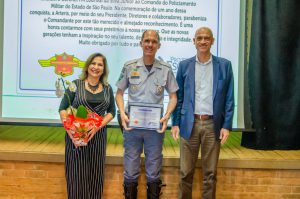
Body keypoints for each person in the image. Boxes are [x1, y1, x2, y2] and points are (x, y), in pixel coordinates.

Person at [171, 27, 234, 199]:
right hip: (188, 124)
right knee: (185, 173)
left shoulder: (225, 65)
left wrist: (226, 125)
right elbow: (179, 97)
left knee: (210, 174)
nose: (203, 41)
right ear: (194, 41)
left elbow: (229, 98)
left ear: (212, 41)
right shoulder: (184, 66)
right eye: (199, 38)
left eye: (207, 38)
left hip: (213, 125)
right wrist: (175, 122)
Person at [115, 30, 178, 199]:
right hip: (132, 127)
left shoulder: (165, 69)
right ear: (141, 43)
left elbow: (173, 96)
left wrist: (167, 115)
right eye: (147, 41)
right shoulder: (129, 66)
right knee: (130, 170)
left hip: (154, 129)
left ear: (159, 45)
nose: (150, 44)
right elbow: (119, 93)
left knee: (153, 171)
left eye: (153, 41)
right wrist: (122, 113)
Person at [59, 53, 116, 199]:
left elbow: (111, 112)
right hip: (76, 139)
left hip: (98, 138)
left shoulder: (107, 88)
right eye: (93, 63)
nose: (96, 67)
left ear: (104, 69)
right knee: (77, 177)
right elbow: (63, 108)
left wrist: (98, 126)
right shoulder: (75, 85)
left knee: (95, 177)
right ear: (87, 66)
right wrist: (71, 130)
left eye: (100, 65)